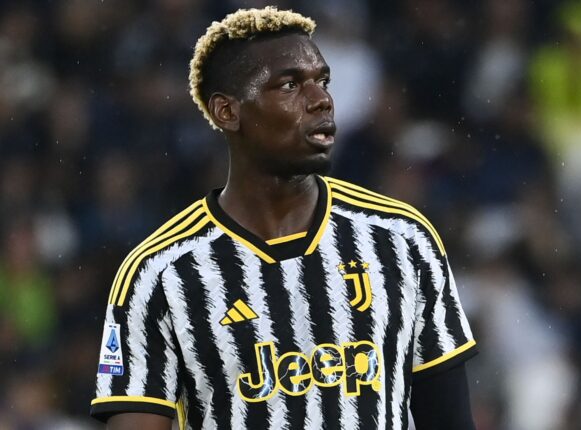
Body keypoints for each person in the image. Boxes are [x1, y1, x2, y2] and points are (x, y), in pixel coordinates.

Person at [90, 7, 477, 430]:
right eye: (290, 85)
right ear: (227, 112)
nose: (321, 100)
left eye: (322, 81)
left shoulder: (402, 240)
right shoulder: (161, 273)